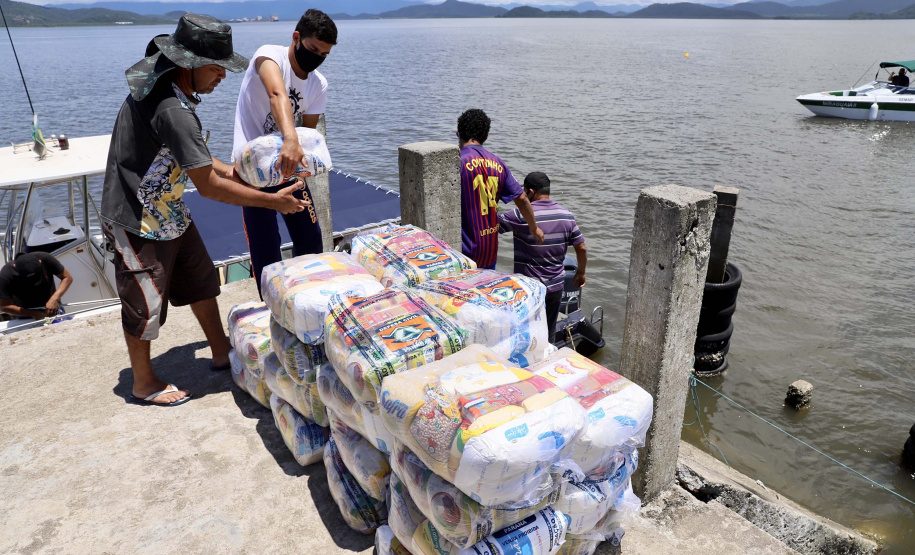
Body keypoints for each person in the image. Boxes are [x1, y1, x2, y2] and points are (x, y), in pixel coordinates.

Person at [101, 14, 310, 407]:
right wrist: (274, 201)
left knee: (200, 279)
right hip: (138, 215)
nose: (223, 76)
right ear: (189, 65)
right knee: (143, 300)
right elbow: (209, 187)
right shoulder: (173, 110)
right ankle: (143, 382)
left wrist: (238, 172)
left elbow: (194, 158)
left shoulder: (166, 87)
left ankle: (220, 350)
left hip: (170, 208)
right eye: (216, 67)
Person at [233, 9, 337, 296]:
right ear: (296, 37)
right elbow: (276, 94)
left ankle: (308, 301)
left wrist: (301, 149)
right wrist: (289, 138)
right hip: (252, 175)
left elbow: (309, 135)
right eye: (313, 49)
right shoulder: (269, 55)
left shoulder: (318, 84)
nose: (318, 57)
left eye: (325, 54)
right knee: (266, 249)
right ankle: (271, 309)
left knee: (311, 241)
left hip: (290, 171)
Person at [498, 172, 586, 343]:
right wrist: (581, 272)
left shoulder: (520, 215)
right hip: (556, 286)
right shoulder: (566, 215)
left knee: (526, 334)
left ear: (530, 192)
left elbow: (491, 226)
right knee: (549, 331)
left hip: (530, 289)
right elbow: (581, 247)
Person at [457, 109, 543, 270]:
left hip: (463, 252)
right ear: (486, 137)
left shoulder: (457, 162)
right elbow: (523, 199)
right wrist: (534, 228)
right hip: (489, 249)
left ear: (458, 133)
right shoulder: (498, 163)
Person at [0, 253, 73, 320]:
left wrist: (54, 299)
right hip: (24, 312)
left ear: (40, 262)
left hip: (53, 306)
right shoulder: (6, 275)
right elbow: (4, 306)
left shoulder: (46, 259)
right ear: (14, 267)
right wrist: (32, 313)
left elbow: (67, 278)